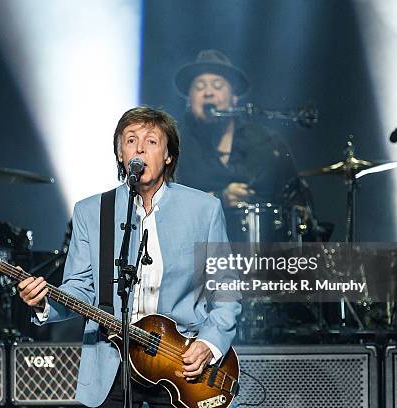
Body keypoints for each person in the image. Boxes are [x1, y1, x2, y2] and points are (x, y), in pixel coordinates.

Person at [18, 107, 241, 407]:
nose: (139, 148)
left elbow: (226, 291)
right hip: (112, 363)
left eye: (151, 141)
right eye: (130, 140)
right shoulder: (91, 212)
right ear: (121, 155)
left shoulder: (203, 209)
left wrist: (209, 344)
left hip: (183, 363)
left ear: (168, 155)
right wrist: (45, 300)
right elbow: (80, 289)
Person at [175, 49, 302, 242]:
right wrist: (219, 198)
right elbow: (167, 207)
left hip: (266, 255)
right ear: (189, 100)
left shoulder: (267, 141)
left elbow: (295, 198)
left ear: (234, 97)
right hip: (198, 256)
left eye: (217, 86)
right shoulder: (175, 144)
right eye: (199, 87)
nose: (208, 93)